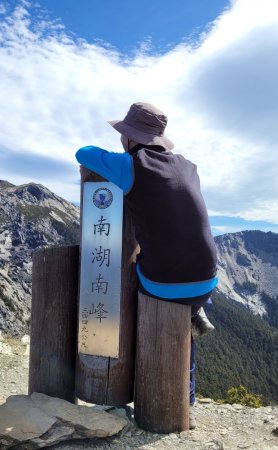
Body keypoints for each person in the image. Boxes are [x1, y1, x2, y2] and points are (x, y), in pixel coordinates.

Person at [75, 102, 218, 429]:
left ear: (129, 137)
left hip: (164, 282)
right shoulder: (188, 166)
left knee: (133, 282)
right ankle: (188, 395)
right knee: (184, 323)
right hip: (207, 277)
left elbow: (83, 153)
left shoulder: (129, 165)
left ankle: (134, 387)